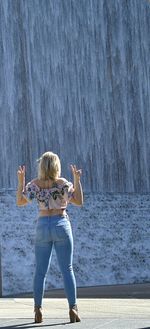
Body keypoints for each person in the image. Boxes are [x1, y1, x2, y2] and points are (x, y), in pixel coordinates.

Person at [16, 151, 83, 323]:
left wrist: (21, 182)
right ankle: (73, 309)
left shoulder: (34, 184)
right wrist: (77, 179)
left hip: (43, 225)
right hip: (61, 223)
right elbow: (78, 201)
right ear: (56, 166)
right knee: (67, 269)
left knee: (40, 271)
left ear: (41, 166)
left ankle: (38, 311)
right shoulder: (62, 184)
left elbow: (20, 202)